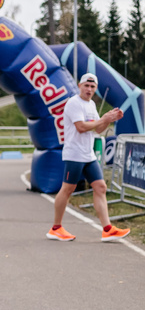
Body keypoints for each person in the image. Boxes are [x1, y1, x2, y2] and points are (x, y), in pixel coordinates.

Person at [47, 72, 130, 243]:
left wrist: (110, 119)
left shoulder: (91, 105)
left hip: (88, 154)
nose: (89, 89)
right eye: (86, 85)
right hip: (74, 154)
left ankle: (107, 229)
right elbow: (81, 127)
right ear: (80, 86)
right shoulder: (73, 103)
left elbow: (98, 129)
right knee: (67, 190)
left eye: (93, 87)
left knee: (100, 187)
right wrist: (105, 118)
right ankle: (56, 228)